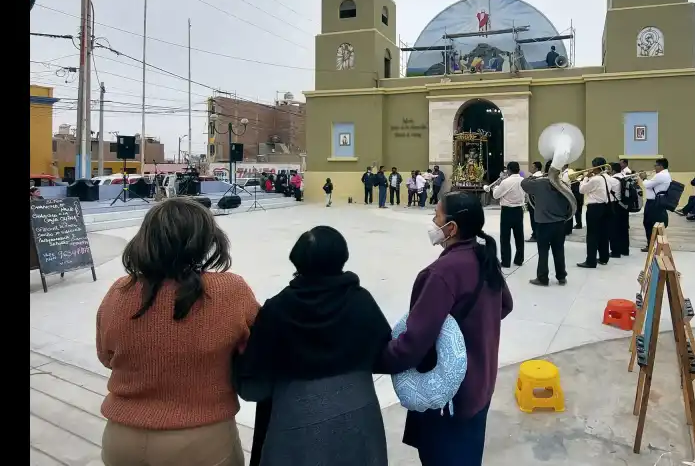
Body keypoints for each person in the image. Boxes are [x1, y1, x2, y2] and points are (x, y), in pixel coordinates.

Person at [95, 198, 259, 466]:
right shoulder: (230, 290)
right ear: (206, 239)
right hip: (201, 441)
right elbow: (257, 350)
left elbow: (106, 356)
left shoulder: (119, 291)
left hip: (121, 440)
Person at [234, 226, 392, 466]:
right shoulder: (361, 301)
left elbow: (254, 388)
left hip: (296, 427)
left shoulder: (277, 309)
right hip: (359, 423)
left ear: (297, 261)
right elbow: (384, 355)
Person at [379, 192, 513, 465]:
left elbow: (413, 344)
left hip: (450, 397)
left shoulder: (442, 273)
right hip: (480, 383)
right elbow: (504, 306)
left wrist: (373, 359)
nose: (432, 221)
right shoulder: (484, 256)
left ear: (451, 228)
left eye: (437, 216)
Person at [521, 161, 570, 286]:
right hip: (559, 223)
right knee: (559, 250)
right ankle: (561, 276)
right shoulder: (563, 184)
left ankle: (543, 278)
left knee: (543, 251)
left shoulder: (540, 183)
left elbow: (524, 183)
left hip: (543, 223)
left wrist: (535, 176)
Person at [576, 157, 619, 269]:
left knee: (592, 235)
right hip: (607, 207)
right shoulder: (608, 177)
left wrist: (585, 178)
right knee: (604, 234)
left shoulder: (595, 179)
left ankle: (591, 261)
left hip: (595, 208)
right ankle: (604, 258)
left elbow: (582, 190)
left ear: (595, 166)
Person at [488, 161, 525, 269]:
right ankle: (519, 259)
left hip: (507, 211)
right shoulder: (523, 180)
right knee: (519, 236)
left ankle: (506, 261)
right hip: (519, 210)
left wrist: (495, 186)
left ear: (508, 170)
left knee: (505, 237)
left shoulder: (505, 182)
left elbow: (495, 195)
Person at [641, 158, 672, 251]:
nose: (654, 167)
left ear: (661, 166)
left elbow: (647, 185)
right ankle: (655, 244)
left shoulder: (660, 175)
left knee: (649, 224)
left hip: (653, 203)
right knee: (654, 223)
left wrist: (644, 178)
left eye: (656, 165)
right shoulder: (664, 174)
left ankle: (651, 245)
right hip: (657, 201)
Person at [610, 163, 631, 257]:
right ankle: (625, 250)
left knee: (614, 229)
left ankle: (615, 251)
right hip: (624, 205)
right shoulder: (623, 176)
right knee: (624, 228)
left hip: (615, 205)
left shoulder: (612, 180)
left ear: (613, 171)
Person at [525, 161, 543, 242]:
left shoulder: (533, 178)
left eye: (532, 167)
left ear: (536, 168)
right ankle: (539, 234)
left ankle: (535, 235)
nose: (530, 168)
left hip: (533, 202)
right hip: (541, 202)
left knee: (533, 219)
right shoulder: (543, 176)